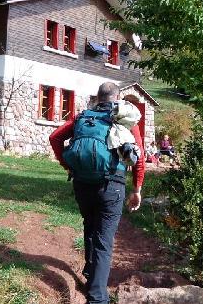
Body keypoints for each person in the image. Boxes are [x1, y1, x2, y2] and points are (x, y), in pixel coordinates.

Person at [49, 82, 145, 304]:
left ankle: (91, 276)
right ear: (117, 98)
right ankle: (98, 298)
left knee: (90, 226)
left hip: (82, 183)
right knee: (104, 240)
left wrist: (67, 164)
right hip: (112, 185)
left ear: (98, 97)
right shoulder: (125, 118)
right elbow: (139, 159)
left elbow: (55, 138)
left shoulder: (83, 117)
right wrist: (137, 189)